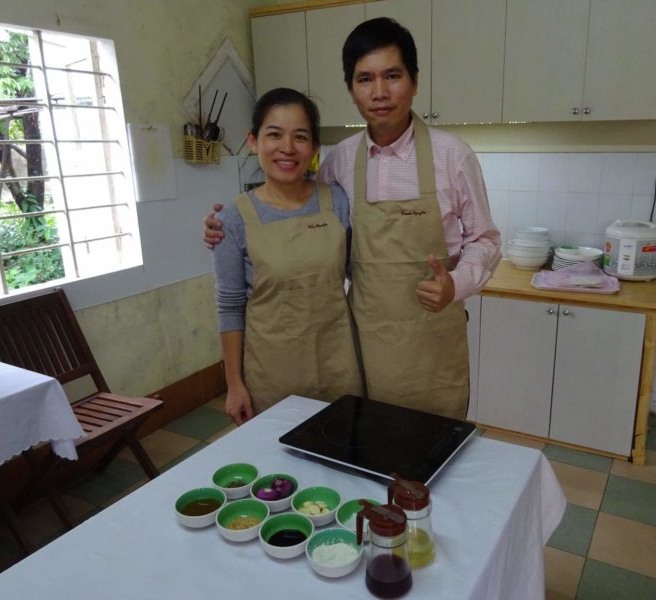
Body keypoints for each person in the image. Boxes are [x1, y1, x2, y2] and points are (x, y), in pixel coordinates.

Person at [206, 19, 500, 420]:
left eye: (392, 76)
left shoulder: (453, 156)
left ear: (414, 81)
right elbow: (304, 214)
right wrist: (228, 225)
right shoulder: (339, 162)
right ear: (351, 89)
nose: (379, 92)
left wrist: (456, 284)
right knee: (368, 452)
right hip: (363, 351)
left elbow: (485, 239)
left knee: (430, 458)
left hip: (432, 345)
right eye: (365, 79)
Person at [212, 87, 362, 425]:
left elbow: (359, 272)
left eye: (300, 136)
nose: (287, 148)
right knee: (280, 475)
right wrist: (234, 384)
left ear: (314, 147)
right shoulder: (232, 220)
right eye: (274, 135)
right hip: (272, 377)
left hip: (337, 365)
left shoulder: (337, 201)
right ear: (253, 141)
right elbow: (230, 306)